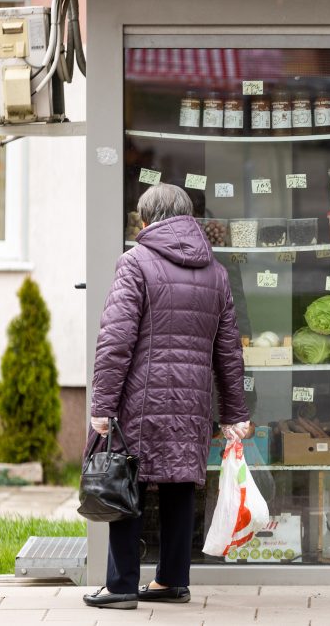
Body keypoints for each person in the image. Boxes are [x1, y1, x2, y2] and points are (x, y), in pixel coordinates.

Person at [84, 183, 250, 610]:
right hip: (192, 402)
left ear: (146, 219)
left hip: (141, 400)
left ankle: (120, 586)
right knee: (179, 482)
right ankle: (173, 580)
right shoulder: (215, 271)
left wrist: (103, 406)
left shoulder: (135, 262)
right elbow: (229, 350)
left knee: (127, 481)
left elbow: (115, 342)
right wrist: (234, 413)